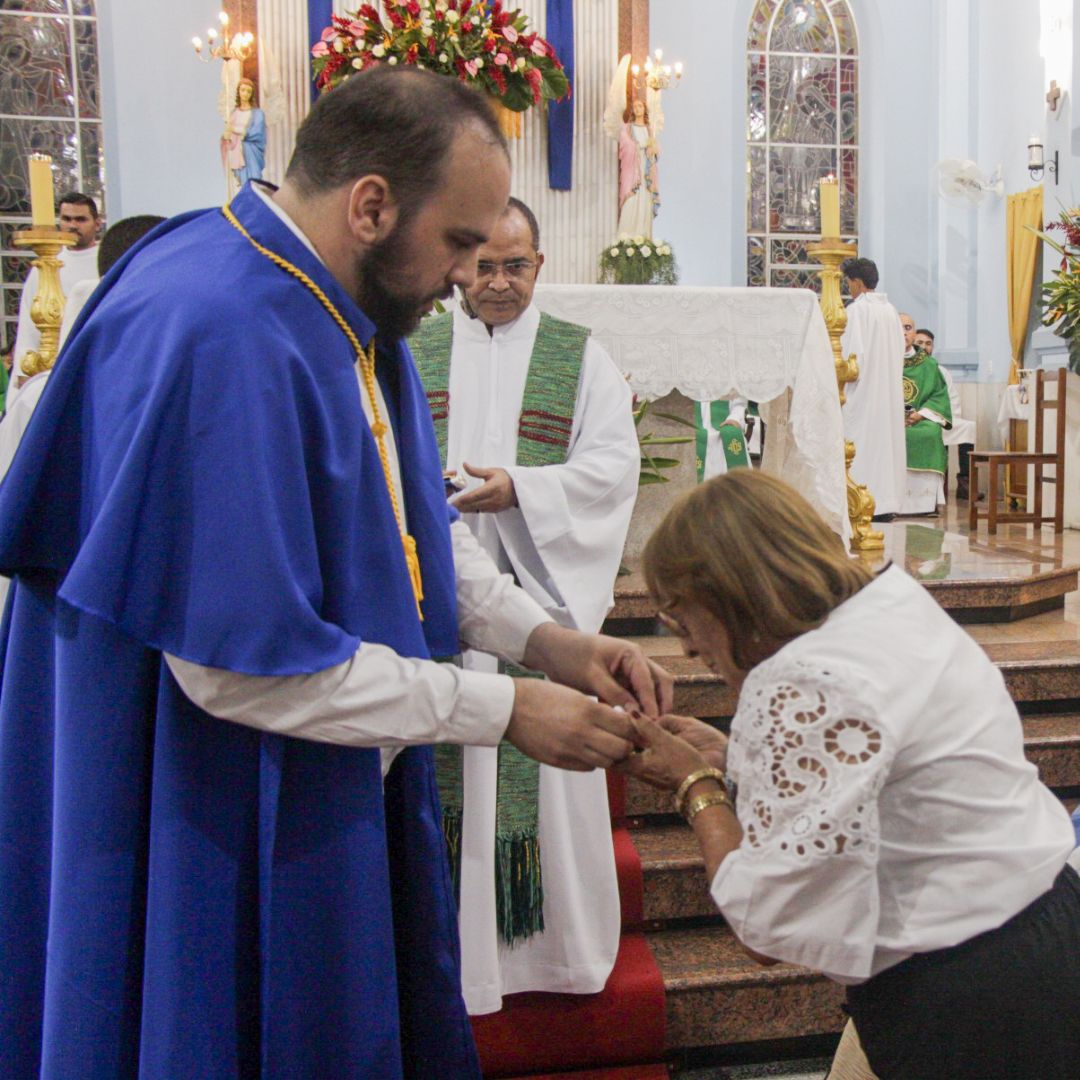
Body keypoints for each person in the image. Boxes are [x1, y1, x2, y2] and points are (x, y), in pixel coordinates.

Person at [0, 68, 671, 1079]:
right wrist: (504, 713)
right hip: (204, 792)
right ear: (370, 205)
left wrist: (547, 640)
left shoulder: (336, 294)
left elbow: (403, 533)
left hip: (313, 753)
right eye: (457, 243)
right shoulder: (221, 330)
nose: (466, 276)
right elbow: (237, 672)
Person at [620, 469, 1080, 1080]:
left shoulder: (797, 678)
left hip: (964, 988)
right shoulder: (890, 608)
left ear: (725, 596)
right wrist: (737, 758)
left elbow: (764, 925)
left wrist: (696, 786)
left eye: (680, 620)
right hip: (1047, 926)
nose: (685, 648)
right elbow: (879, 776)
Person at [409, 196, 640, 1014]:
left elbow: (614, 468)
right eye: (484, 265)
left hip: (539, 605)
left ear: (540, 266)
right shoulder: (414, 348)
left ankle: (549, 956)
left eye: (517, 266)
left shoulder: (580, 358)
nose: (498, 282)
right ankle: (454, 957)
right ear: (460, 262)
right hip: (435, 601)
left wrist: (521, 491)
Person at [10, 191, 101, 399]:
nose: (72, 225)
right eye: (66, 219)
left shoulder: (105, 260)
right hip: (50, 365)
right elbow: (28, 324)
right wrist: (25, 371)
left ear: (97, 223)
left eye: (81, 219)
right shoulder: (44, 265)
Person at [840, 258, 906, 519]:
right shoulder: (891, 310)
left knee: (861, 445)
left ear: (856, 282)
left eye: (849, 284)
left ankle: (859, 500)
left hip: (862, 392)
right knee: (885, 446)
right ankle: (884, 503)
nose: (849, 289)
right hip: (887, 390)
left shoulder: (856, 311)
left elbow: (851, 356)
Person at [914, 327, 976, 500]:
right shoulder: (905, 367)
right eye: (919, 343)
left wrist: (946, 416)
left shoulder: (940, 371)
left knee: (968, 427)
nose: (924, 347)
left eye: (928, 344)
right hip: (916, 419)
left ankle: (965, 484)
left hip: (940, 415)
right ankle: (936, 484)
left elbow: (951, 398)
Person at [898, 312, 951, 515]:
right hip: (890, 421)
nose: (904, 333)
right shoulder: (883, 359)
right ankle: (889, 503)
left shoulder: (929, 365)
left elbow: (939, 395)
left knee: (929, 433)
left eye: (908, 328)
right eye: (900, 327)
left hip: (920, 419)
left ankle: (923, 505)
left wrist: (920, 414)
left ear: (914, 332)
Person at [614, 98, 659, 241]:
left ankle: (643, 236)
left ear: (645, 109)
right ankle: (626, 238)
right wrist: (638, 148)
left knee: (645, 201)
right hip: (633, 172)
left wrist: (653, 149)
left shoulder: (649, 130)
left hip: (646, 174)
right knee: (631, 202)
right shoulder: (627, 128)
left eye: (640, 106)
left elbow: (656, 152)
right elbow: (625, 145)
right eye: (635, 107)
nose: (638, 109)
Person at [221, 77, 266, 199]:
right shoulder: (234, 113)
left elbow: (257, 133)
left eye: (248, 91)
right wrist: (226, 138)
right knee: (238, 185)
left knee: (253, 182)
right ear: (238, 92)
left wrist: (235, 131)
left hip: (251, 152)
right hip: (236, 153)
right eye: (242, 90)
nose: (245, 94)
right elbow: (228, 138)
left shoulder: (257, 114)